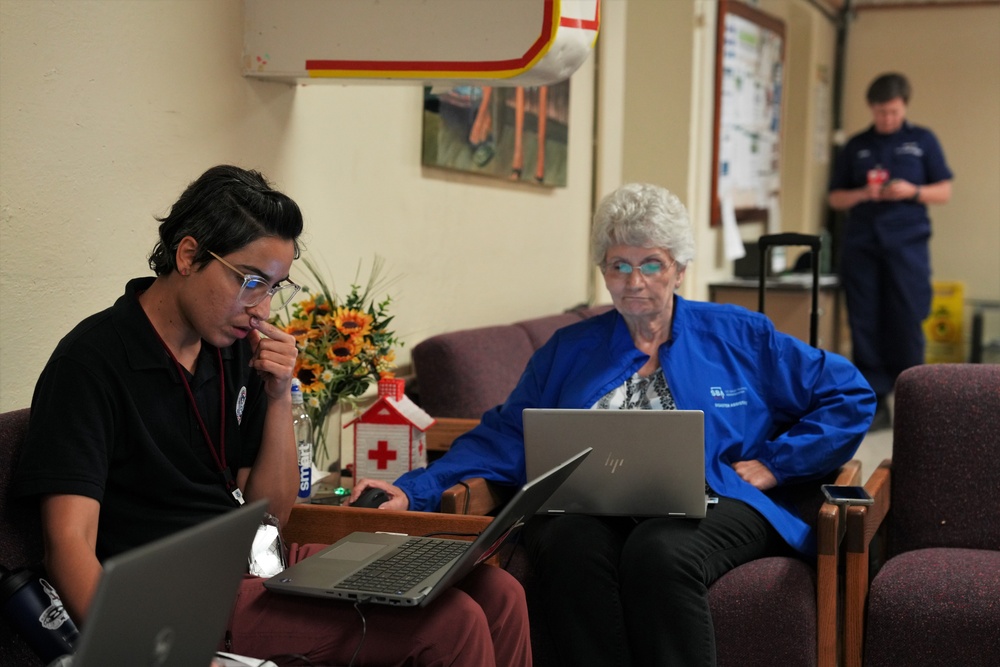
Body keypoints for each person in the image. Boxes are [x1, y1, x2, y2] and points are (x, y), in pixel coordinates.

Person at [13, 165, 531, 666]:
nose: (261, 309)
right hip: (179, 598)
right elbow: (68, 545)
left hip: (260, 563)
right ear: (189, 254)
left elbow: (273, 514)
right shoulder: (91, 362)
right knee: (453, 623)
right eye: (251, 281)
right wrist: (151, 650)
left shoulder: (235, 345)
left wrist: (281, 393)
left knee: (497, 591)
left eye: (274, 287)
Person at [353, 183, 875, 666]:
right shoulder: (568, 350)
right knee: (564, 545)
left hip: (715, 499)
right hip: (588, 505)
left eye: (652, 264)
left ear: (680, 268)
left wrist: (773, 465)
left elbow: (849, 395)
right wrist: (412, 490)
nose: (634, 282)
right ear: (602, 270)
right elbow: (506, 435)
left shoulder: (739, 334)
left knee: (659, 553)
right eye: (618, 265)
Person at [828, 72, 953, 428]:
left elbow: (944, 190)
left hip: (907, 248)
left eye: (894, 112)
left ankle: (913, 400)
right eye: (881, 113)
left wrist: (912, 191)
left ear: (904, 107)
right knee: (864, 322)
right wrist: (863, 194)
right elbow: (835, 197)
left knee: (907, 319)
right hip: (862, 247)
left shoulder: (922, 140)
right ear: (872, 109)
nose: (887, 119)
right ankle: (875, 402)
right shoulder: (856, 146)